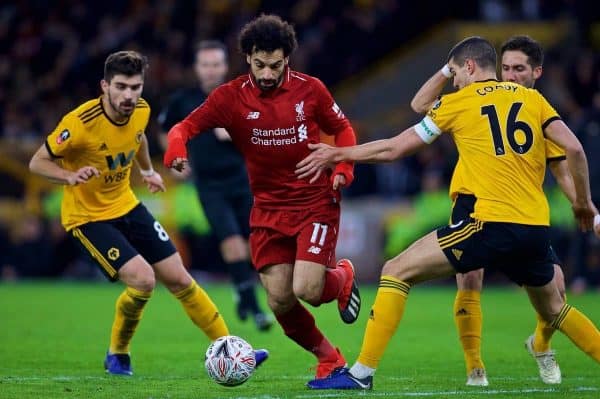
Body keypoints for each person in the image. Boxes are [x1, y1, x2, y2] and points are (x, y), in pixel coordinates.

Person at [297, 36, 600, 390]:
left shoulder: (459, 102)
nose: (454, 80)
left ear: (469, 68)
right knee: (555, 310)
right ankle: (478, 370)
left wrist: (338, 154)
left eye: (455, 73)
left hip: (489, 222)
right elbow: (575, 149)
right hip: (534, 227)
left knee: (396, 270)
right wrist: (583, 204)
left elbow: (394, 148)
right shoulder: (533, 99)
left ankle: (361, 374)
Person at [28, 50, 268, 376]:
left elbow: (137, 137)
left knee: (181, 278)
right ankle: (118, 352)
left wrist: (147, 171)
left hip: (126, 204)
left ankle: (233, 349)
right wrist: (68, 176)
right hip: (88, 218)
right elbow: (37, 161)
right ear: (105, 86)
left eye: (135, 87)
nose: (129, 95)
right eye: (122, 87)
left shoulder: (141, 110)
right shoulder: (80, 123)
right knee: (143, 281)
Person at [163, 14, 362, 379]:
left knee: (308, 289)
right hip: (268, 208)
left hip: (314, 200)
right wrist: (176, 147)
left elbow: (343, 129)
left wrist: (342, 170)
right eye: (259, 65)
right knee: (279, 299)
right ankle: (329, 359)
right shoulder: (230, 97)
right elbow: (185, 126)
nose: (267, 74)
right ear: (248, 58)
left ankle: (341, 278)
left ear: (287, 58)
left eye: (274, 65)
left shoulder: (311, 89)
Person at [409, 35, 574, 386]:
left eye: (519, 69)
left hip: (522, 209)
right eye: (506, 68)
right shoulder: (477, 97)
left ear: (536, 72)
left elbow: (562, 168)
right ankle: (475, 367)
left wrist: (589, 211)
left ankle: (541, 346)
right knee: (469, 276)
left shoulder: (537, 109)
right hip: (472, 200)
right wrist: (450, 65)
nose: (510, 75)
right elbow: (420, 104)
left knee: (556, 289)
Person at [158, 40, 273, 332]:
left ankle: (243, 290)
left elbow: (265, 134)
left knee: (253, 243)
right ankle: (253, 304)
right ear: (197, 68)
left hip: (244, 180)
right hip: (209, 185)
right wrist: (176, 159)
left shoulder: (242, 97)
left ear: (224, 67)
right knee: (231, 242)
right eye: (205, 65)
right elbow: (165, 131)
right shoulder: (183, 101)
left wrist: (234, 133)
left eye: (216, 64)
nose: (210, 70)